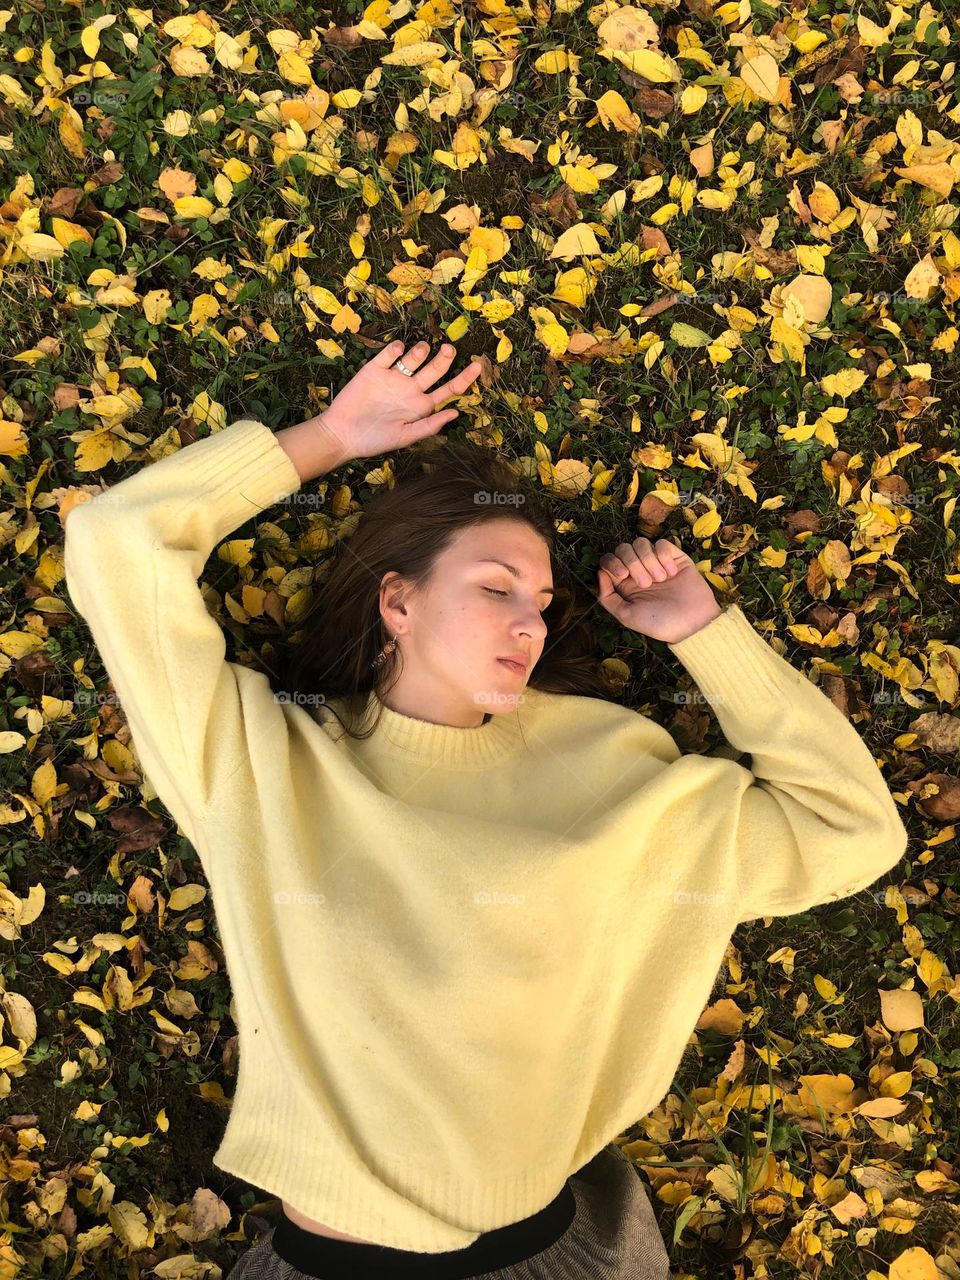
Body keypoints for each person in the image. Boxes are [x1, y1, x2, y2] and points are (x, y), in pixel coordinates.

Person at [62, 340, 908, 1280]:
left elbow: (852, 832)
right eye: (497, 588)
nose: (529, 623)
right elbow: (117, 542)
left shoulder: (609, 764)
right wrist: (332, 437)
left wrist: (706, 634)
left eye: (543, 601)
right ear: (399, 602)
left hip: (557, 1254)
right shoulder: (264, 758)